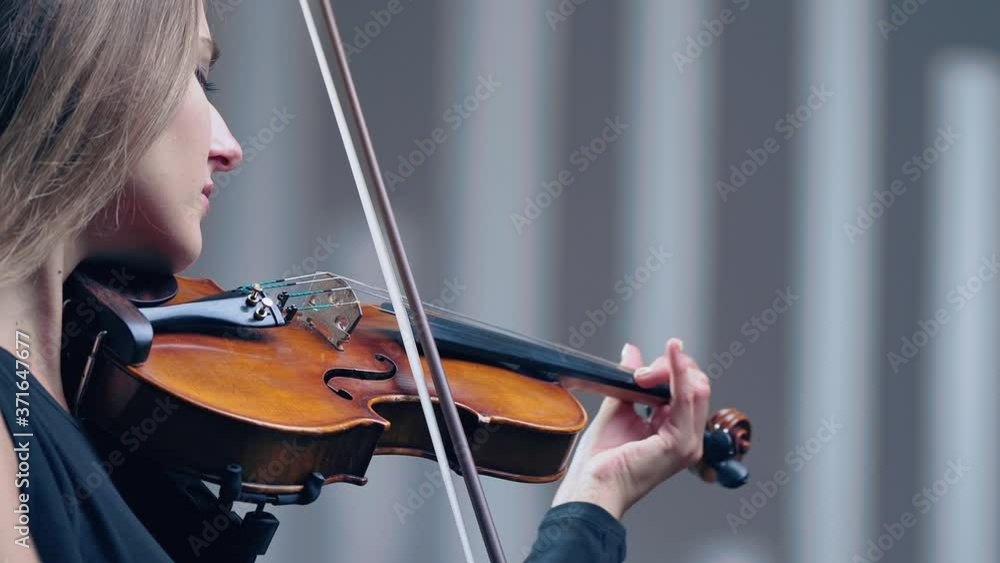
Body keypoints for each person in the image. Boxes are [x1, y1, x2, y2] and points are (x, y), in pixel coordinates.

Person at [0, 2, 712, 562]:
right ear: (89, 77)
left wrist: (596, 495)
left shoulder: (97, 420)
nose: (229, 146)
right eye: (196, 76)